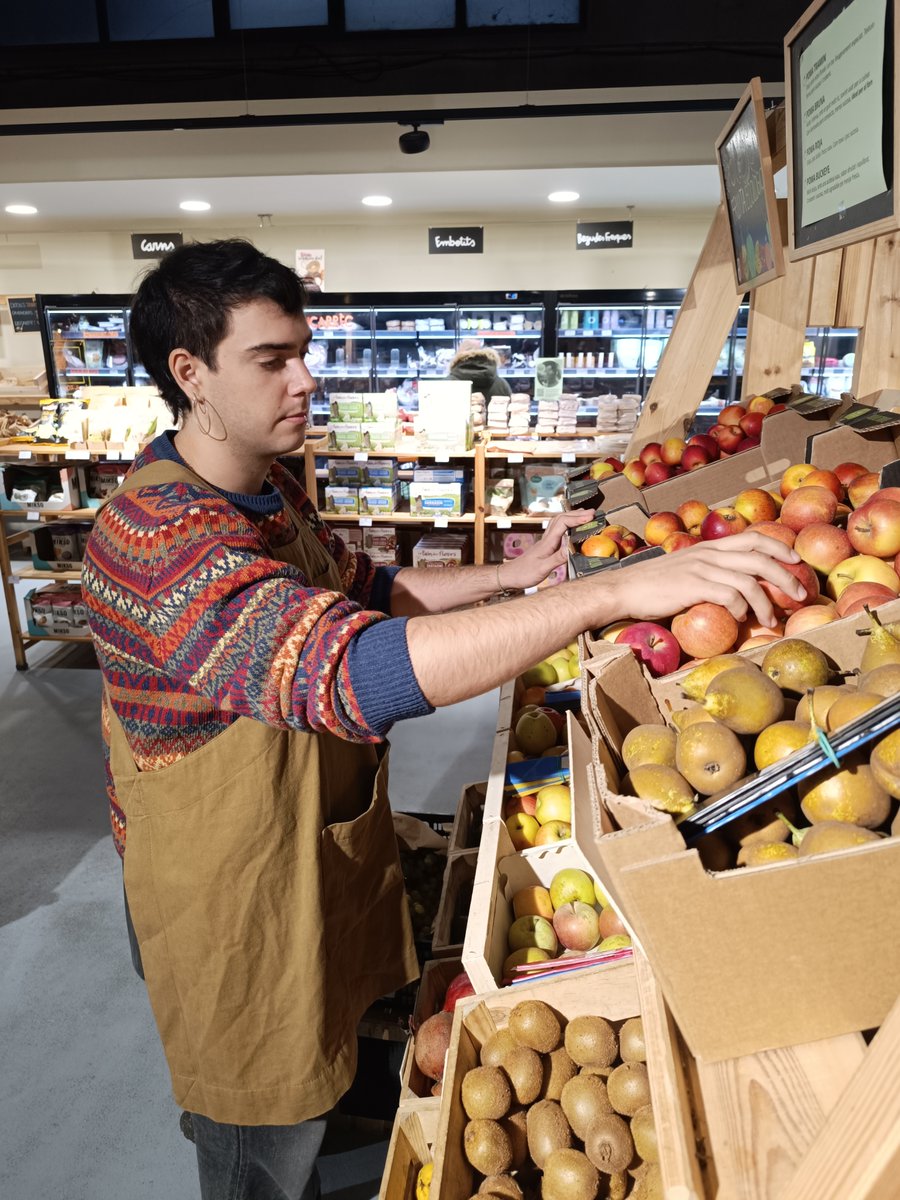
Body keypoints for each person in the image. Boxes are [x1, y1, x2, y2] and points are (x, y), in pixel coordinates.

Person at [82, 239, 805, 1200]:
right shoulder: (155, 537)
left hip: (294, 847)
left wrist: (509, 578)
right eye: (271, 360)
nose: (306, 380)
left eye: (304, 350)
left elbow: (365, 589)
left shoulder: (268, 486)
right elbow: (342, 671)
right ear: (190, 373)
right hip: (221, 894)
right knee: (261, 1133)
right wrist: (604, 595)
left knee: (321, 1056)